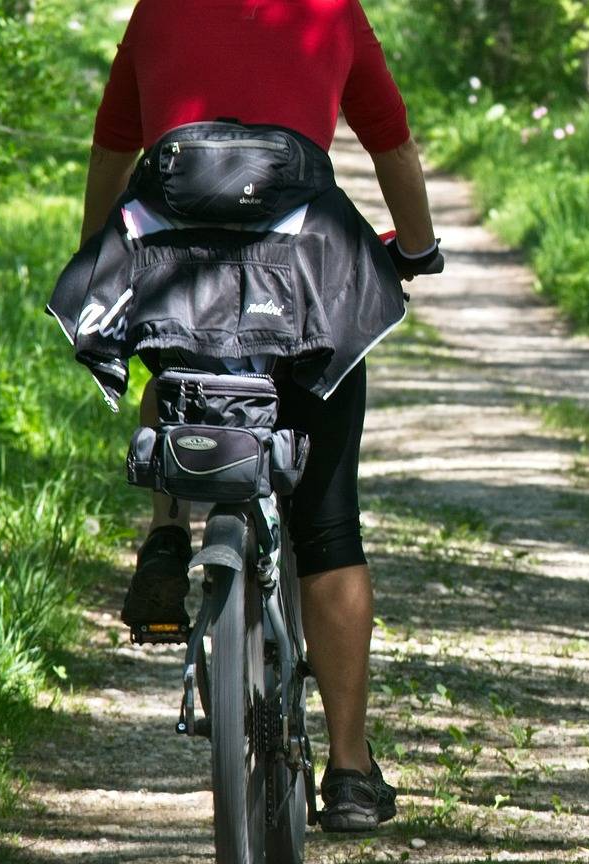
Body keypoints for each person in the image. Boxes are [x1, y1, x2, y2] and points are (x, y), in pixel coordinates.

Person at [77, 0, 441, 832]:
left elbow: (113, 146)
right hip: (305, 275)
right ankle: (349, 772)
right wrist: (414, 247)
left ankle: (170, 528)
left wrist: (99, 249)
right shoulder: (330, 9)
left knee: (169, 343)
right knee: (329, 527)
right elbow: (390, 141)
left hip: (176, 266)